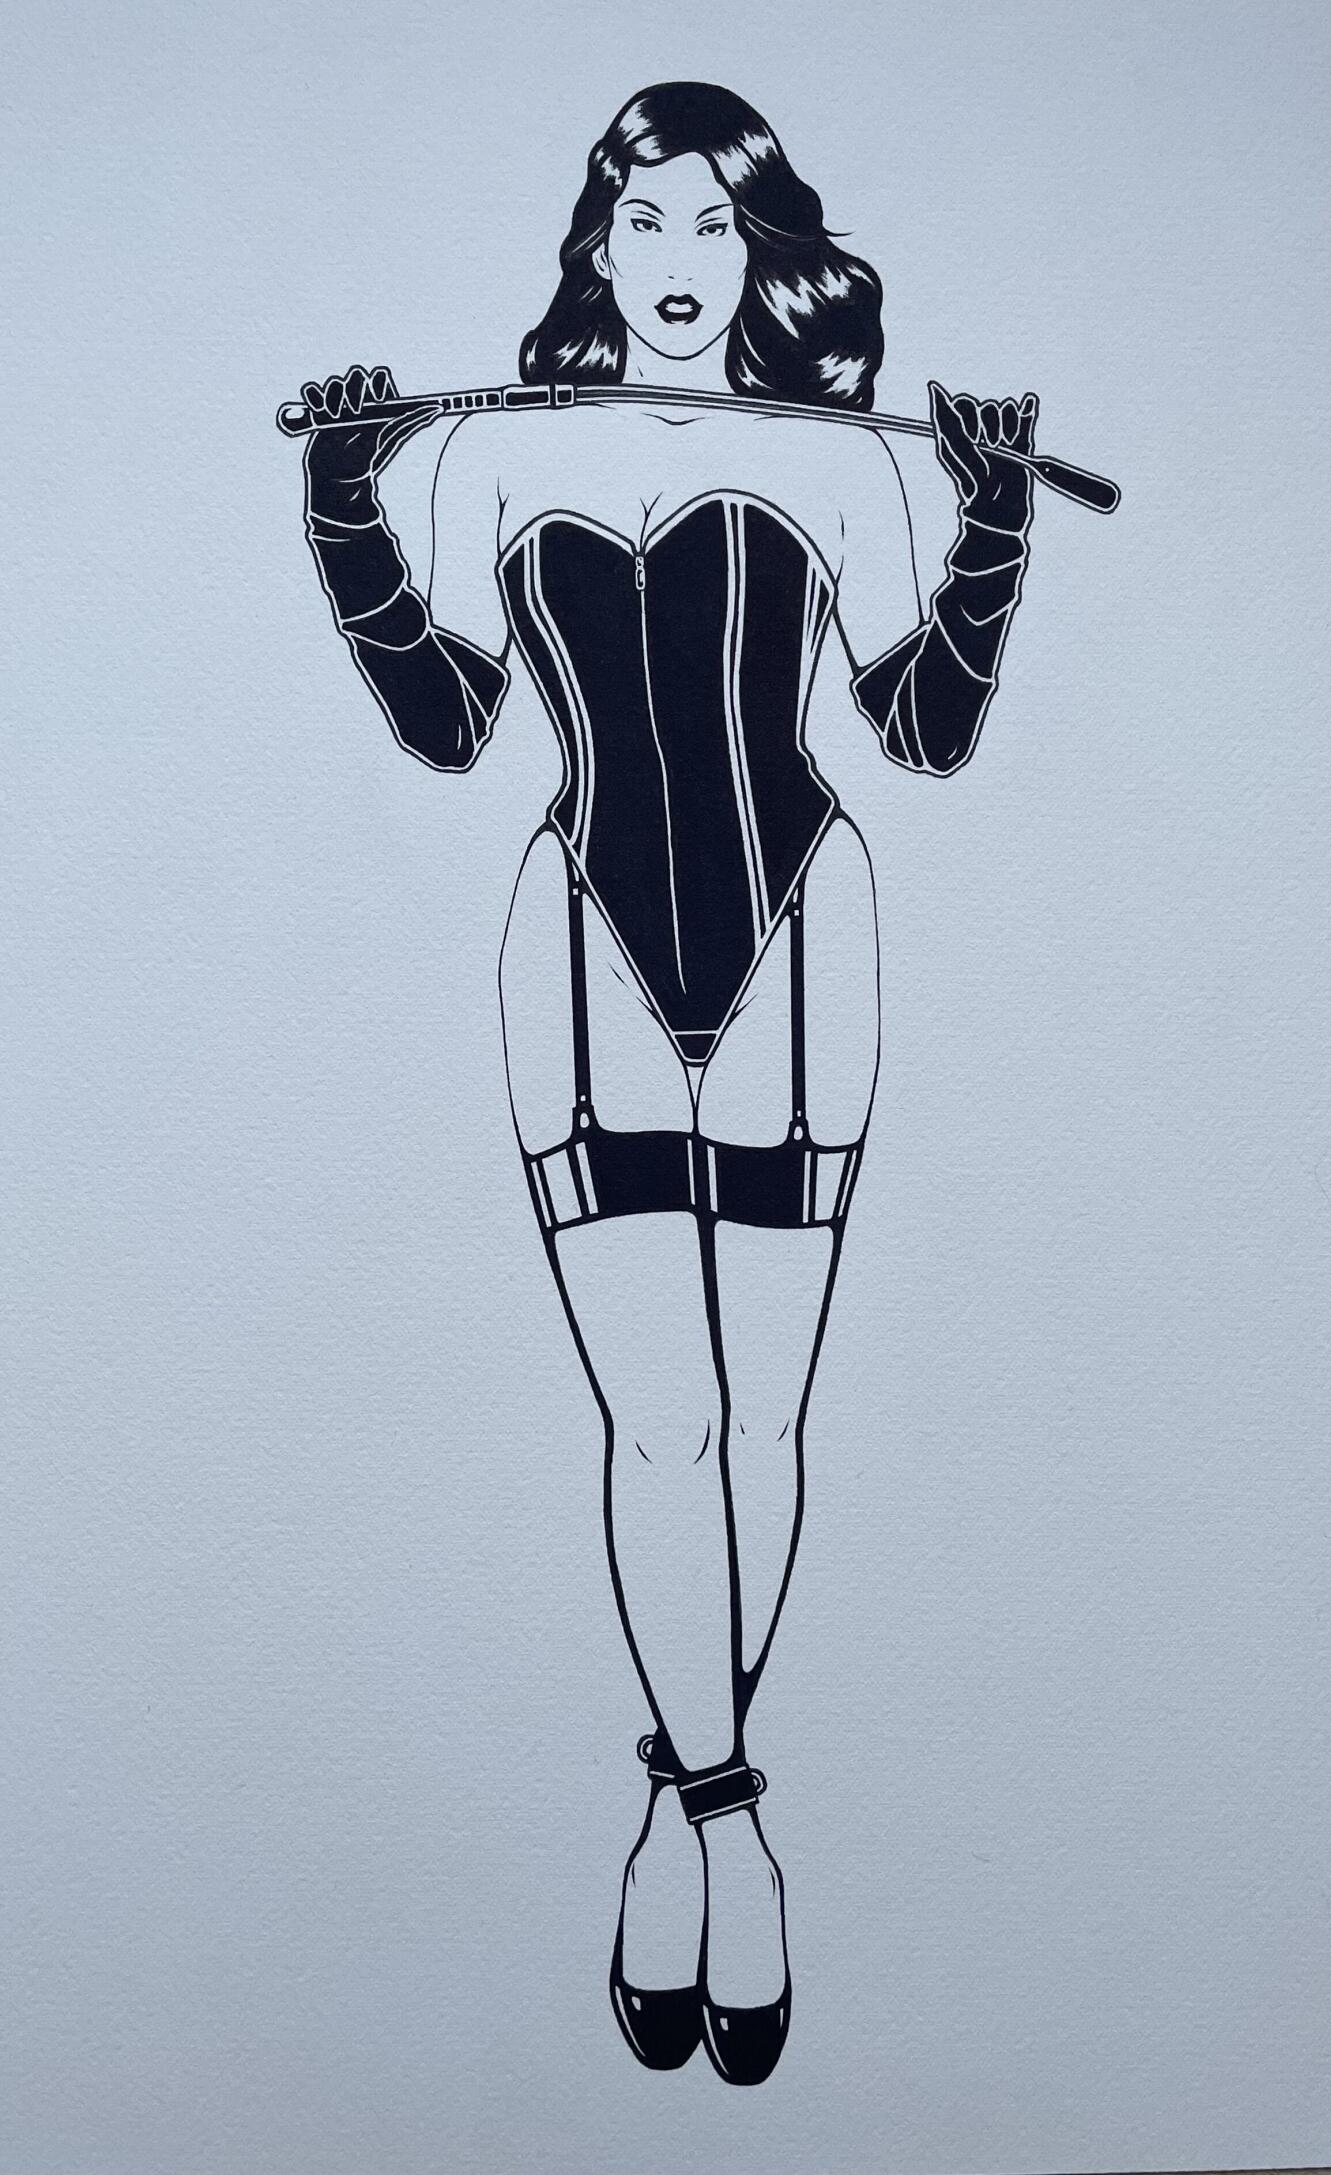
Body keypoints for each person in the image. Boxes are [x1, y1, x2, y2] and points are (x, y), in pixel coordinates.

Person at [296, 80, 1036, 2086]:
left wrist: (990, 529)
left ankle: (667, 1808)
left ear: (759, 247)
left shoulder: (839, 460)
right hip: (579, 941)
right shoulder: (494, 451)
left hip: (805, 930)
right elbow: (448, 721)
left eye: (715, 225)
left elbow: (920, 727)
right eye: (645, 226)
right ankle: (731, 1828)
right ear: (598, 250)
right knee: (660, 1420)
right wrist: (346, 518)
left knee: (767, 1419)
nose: (681, 263)